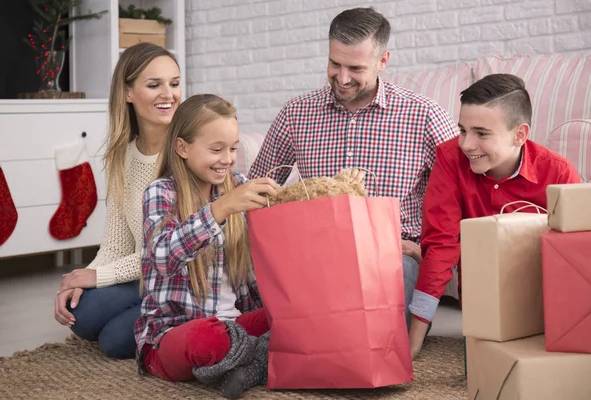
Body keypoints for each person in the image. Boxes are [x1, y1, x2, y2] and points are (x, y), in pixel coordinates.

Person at [248, 7, 458, 329]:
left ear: (382, 61)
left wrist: (421, 248)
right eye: (335, 64)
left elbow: (461, 193)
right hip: (313, 251)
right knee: (291, 323)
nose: (342, 78)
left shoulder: (423, 115)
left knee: (370, 329)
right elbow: (256, 190)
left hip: (391, 254)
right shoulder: (296, 114)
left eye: (356, 68)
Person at [408, 73, 581, 359]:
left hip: (547, 302)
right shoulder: (450, 160)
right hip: (482, 306)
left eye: (481, 133)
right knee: (478, 365)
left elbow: (578, 256)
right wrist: (414, 342)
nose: (466, 144)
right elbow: (441, 244)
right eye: (463, 130)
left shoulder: (558, 174)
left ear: (520, 134)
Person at [135, 94, 282, 399]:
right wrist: (220, 209)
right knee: (206, 340)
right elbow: (161, 257)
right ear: (182, 148)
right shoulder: (161, 192)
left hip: (237, 323)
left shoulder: (237, 183)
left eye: (232, 149)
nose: (227, 159)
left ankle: (245, 360)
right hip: (176, 334)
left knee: (296, 314)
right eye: (216, 150)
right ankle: (262, 355)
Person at [53, 42, 182, 359]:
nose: (169, 94)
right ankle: (153, 315)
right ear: (128, 93)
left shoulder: (184, 153)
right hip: (143, 277)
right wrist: (79, 281)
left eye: (175, 83)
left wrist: (99, 277)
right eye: (154, 85)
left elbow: (168, 252)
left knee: (112, 341)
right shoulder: (122, 156)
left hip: (180, 279)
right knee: (80, 313)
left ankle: (182, 319)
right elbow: (115, 243)